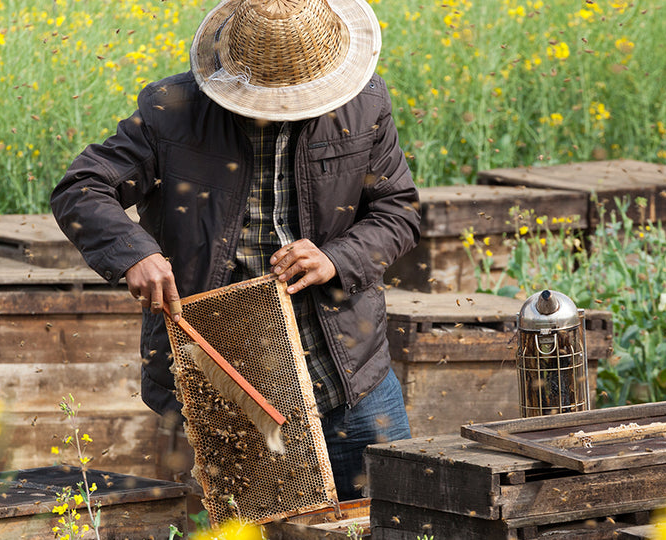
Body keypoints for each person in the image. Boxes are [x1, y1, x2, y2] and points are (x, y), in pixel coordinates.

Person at [50, 0, 420, 501]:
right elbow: (82, 187)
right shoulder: (171, 111)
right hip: (224, 383)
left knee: (391, 520)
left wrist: (337, 258)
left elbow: (397, 211)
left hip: (349, 376)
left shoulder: (366, 104)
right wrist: (132, 251)